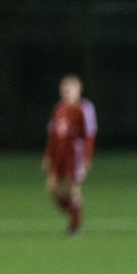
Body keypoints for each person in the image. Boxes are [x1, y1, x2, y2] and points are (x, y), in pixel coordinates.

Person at [42, 74, 97, 236]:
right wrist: (48, 155)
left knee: (71, 189)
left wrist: (86, 158)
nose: (65, 92)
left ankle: (75, 226)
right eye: (63, 90)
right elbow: (52, 134)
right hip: (58, 156)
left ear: (78, 90)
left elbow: (89, 135)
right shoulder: (59, 108)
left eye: (69, 89)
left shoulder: (84, 108)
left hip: (74, 156)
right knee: (52, 190)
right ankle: (75, 214)